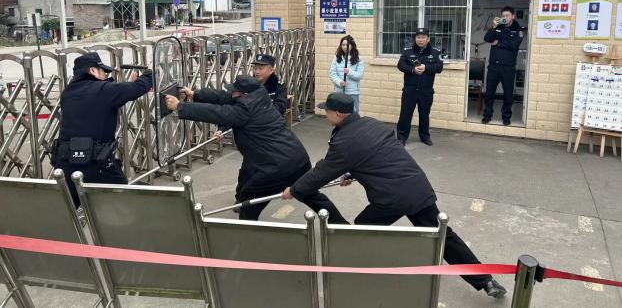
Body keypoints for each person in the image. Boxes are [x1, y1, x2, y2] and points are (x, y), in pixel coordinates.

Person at [282, 93, 507, 299]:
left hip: (392, 199)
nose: (325, 114)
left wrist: (294, 190)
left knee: (361, 228)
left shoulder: (344, 142)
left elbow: (321, 173)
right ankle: (486, 281)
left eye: (327, 111)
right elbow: (377, 155)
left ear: (338, 114)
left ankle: (369, 271)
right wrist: (352, 172)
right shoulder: (371, 124)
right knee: (445, 237)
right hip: (416, 188)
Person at [164, 75, 348, 223]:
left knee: (249, 200)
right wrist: (195, 94)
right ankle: (340, 225)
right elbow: (224, 97)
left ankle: (248, 234)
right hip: (298, 159)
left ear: (243, 94)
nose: (232, 93)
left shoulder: (243, 111)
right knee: (311, 195)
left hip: (275, 167)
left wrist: (180, 106)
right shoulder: (260, 96)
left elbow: (216, 112)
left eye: (235, 91)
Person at [52, 53, 153, 207]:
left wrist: (126, 87)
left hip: (65, 164)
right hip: (97, 166)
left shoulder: (67, 93)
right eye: (103, 71)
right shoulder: (104, 90)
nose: (105, 75)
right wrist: (150, 72)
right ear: (92, 70)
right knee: (123, 205)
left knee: (73, 210)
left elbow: (100, 98)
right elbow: (138, 88)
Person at [217, 53, 288, 210]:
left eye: (261, 68)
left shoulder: (279, 87)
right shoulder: (246, 85)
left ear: (271, 69)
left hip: (271, 135)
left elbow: (280, 107)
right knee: (248, 168)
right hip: (251, 137)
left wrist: (259, 113)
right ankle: (241, 198)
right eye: (255, 67)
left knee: (277, 166)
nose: (257, 71)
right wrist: (222, 128)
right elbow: (232, 108)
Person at [396, 28, 443, 146]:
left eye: (423, 37)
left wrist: (426, 67)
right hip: (409, 90)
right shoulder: (407, 52)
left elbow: (439, 67)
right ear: (415, 38)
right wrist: (412, 69)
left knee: (424, 115)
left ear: (428, 39)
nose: (420, 40)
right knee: (405, 115)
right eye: (418, 37)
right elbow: (400, 65)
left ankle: (425, 137)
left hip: (426, 91)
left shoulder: (435, 53)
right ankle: (401, 137)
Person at [482, 6, 524, 126]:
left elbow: (514, 45)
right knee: (489, 93)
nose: (505, 17)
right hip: (493, 67)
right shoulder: (498, 27)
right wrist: (493, 27)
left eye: (507, 15)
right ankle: (487, 116)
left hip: (508, 68)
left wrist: (498, 43)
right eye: (503, 16)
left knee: (508, 95)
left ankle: (506, 117)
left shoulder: (518, 30)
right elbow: (487, 38)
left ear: (513, 16)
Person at [329, 35, 364, 112]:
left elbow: (359, 75)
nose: (345, 47)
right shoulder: (337, 58)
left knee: (353, 113)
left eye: (347, 45)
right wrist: (339, 82)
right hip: (339, 91)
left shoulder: (358, 59)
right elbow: (333, 74)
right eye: (343, 45)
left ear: (352, 45)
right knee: (340, 113)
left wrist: (349, 72)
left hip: (352, 91)